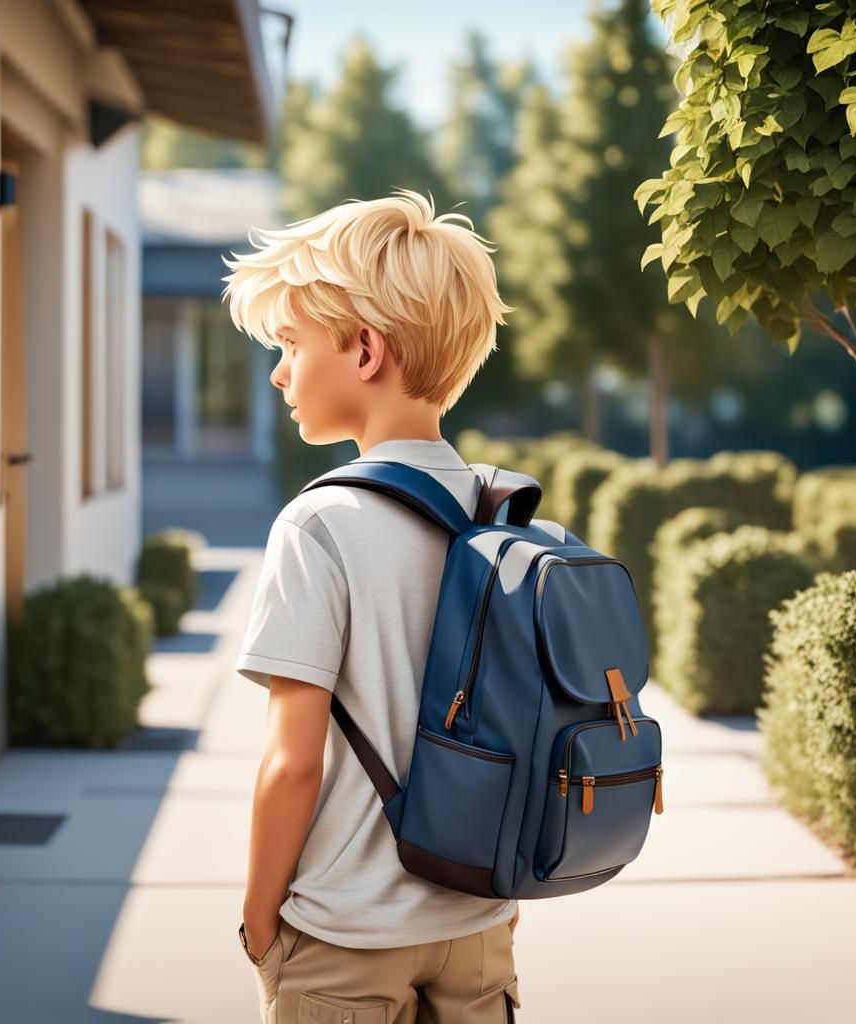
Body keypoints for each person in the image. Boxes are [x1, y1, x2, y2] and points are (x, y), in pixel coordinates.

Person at [221, 189, 522, 1022]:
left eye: (289, 344)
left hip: (347, 937)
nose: (280, 371)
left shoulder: (320, 523)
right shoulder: (504, 514)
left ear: (364, 349)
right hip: (480, 928)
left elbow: (293, 764)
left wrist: (258, 924)